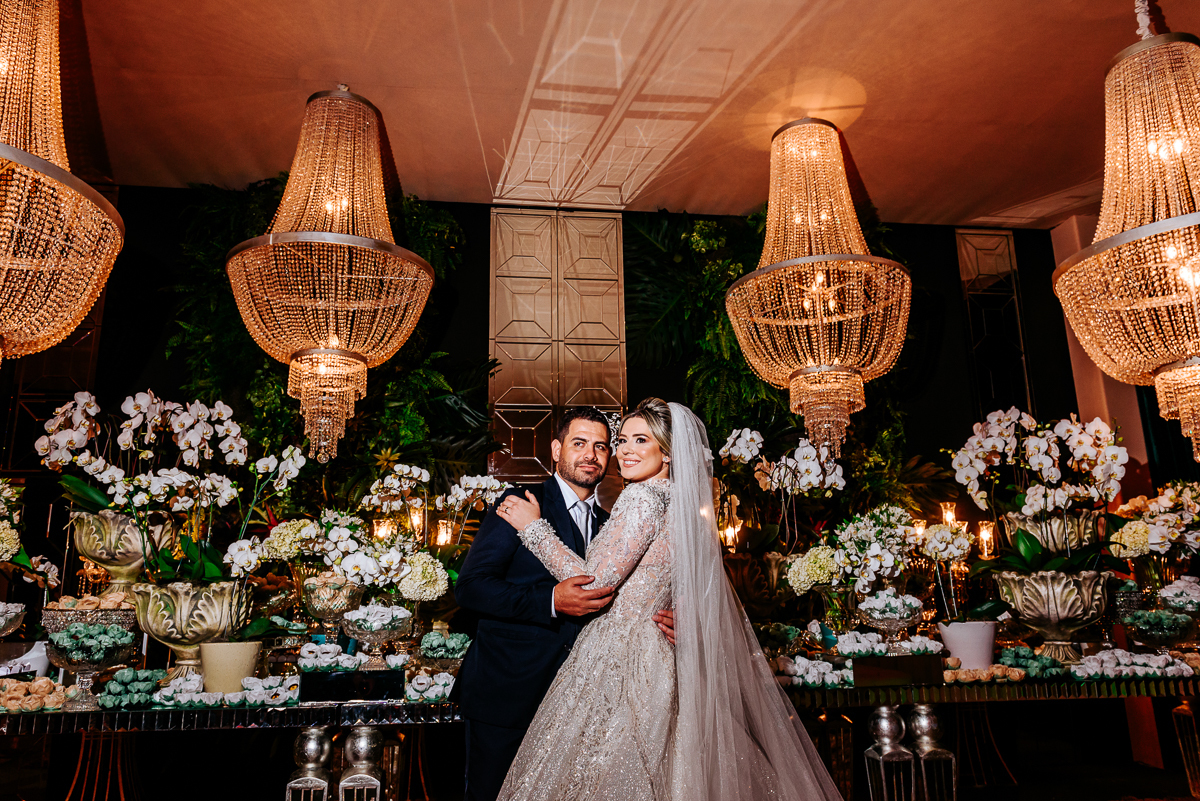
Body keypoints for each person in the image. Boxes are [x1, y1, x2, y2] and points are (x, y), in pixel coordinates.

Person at [494, 398, 842, 801]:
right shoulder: (685, 506)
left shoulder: (643, 498)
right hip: (660, 653)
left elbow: (593, 585)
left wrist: (533, 529)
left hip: (620, 656)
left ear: (669, 452)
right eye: (622, 440)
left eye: (640, 440)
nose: (624, 450)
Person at [453, 406, 676, 801]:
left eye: (602, 446)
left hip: (592, 699)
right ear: (556, 450)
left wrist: (680, 613)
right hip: (511, 690)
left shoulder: (617, 519)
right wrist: (550, 601)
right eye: (579, 443)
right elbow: (471, 588)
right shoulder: (521, 502)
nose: (591, 455)